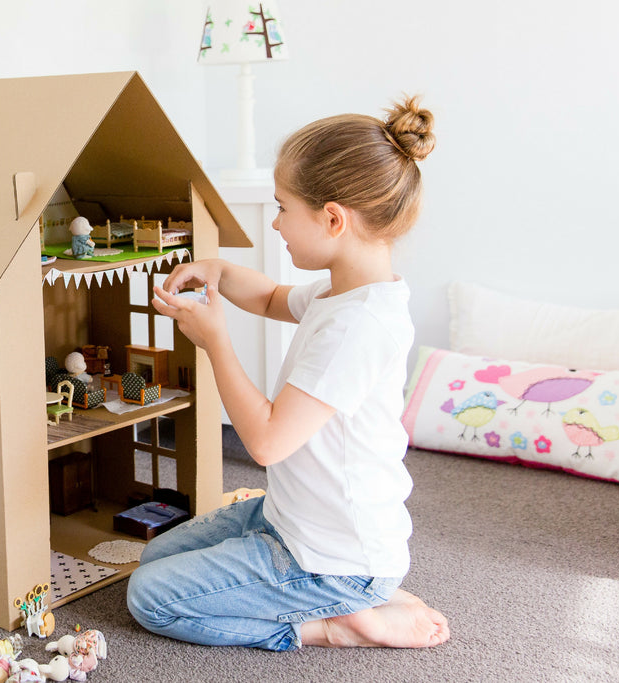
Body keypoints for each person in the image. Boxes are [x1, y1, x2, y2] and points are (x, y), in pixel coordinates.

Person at [126, 96, 450, 651]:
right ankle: (363, 596)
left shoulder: (357, 327)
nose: (274, 223)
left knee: (150, 597)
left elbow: (268, 443)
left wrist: (215, 341)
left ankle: (330, 621)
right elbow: (275, 298)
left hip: (333, 557)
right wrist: (220, 271)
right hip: (295, 518)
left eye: (281, 208)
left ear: (331, 218)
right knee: (156, 552)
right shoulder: (344, 289)